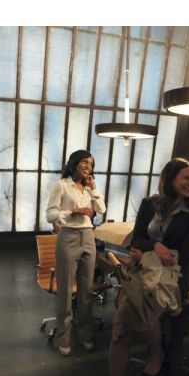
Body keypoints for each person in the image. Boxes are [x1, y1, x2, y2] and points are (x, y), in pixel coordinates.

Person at [97, 157, 189, 376]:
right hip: (143, 271)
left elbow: (186, 255)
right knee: (121, 327)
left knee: (130, 312)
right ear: (170, 179)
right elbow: (136, 240)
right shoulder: (149, 204)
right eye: (186, 178)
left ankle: (154, 355)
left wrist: (146, 251)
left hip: (174, 277)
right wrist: (155, 247)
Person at [45, 149, 106, 356]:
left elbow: (102, 209)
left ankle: (86, 333)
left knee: (86, 290)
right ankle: (64, 336)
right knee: (65, 290)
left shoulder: (89, 188)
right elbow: (50, 215)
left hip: (88, 235)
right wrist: (74, 211)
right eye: (84, 162)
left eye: (91, 163)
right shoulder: (61, 185)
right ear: (74, 163)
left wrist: (94, 189)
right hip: (68, 236)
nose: (88, 166)